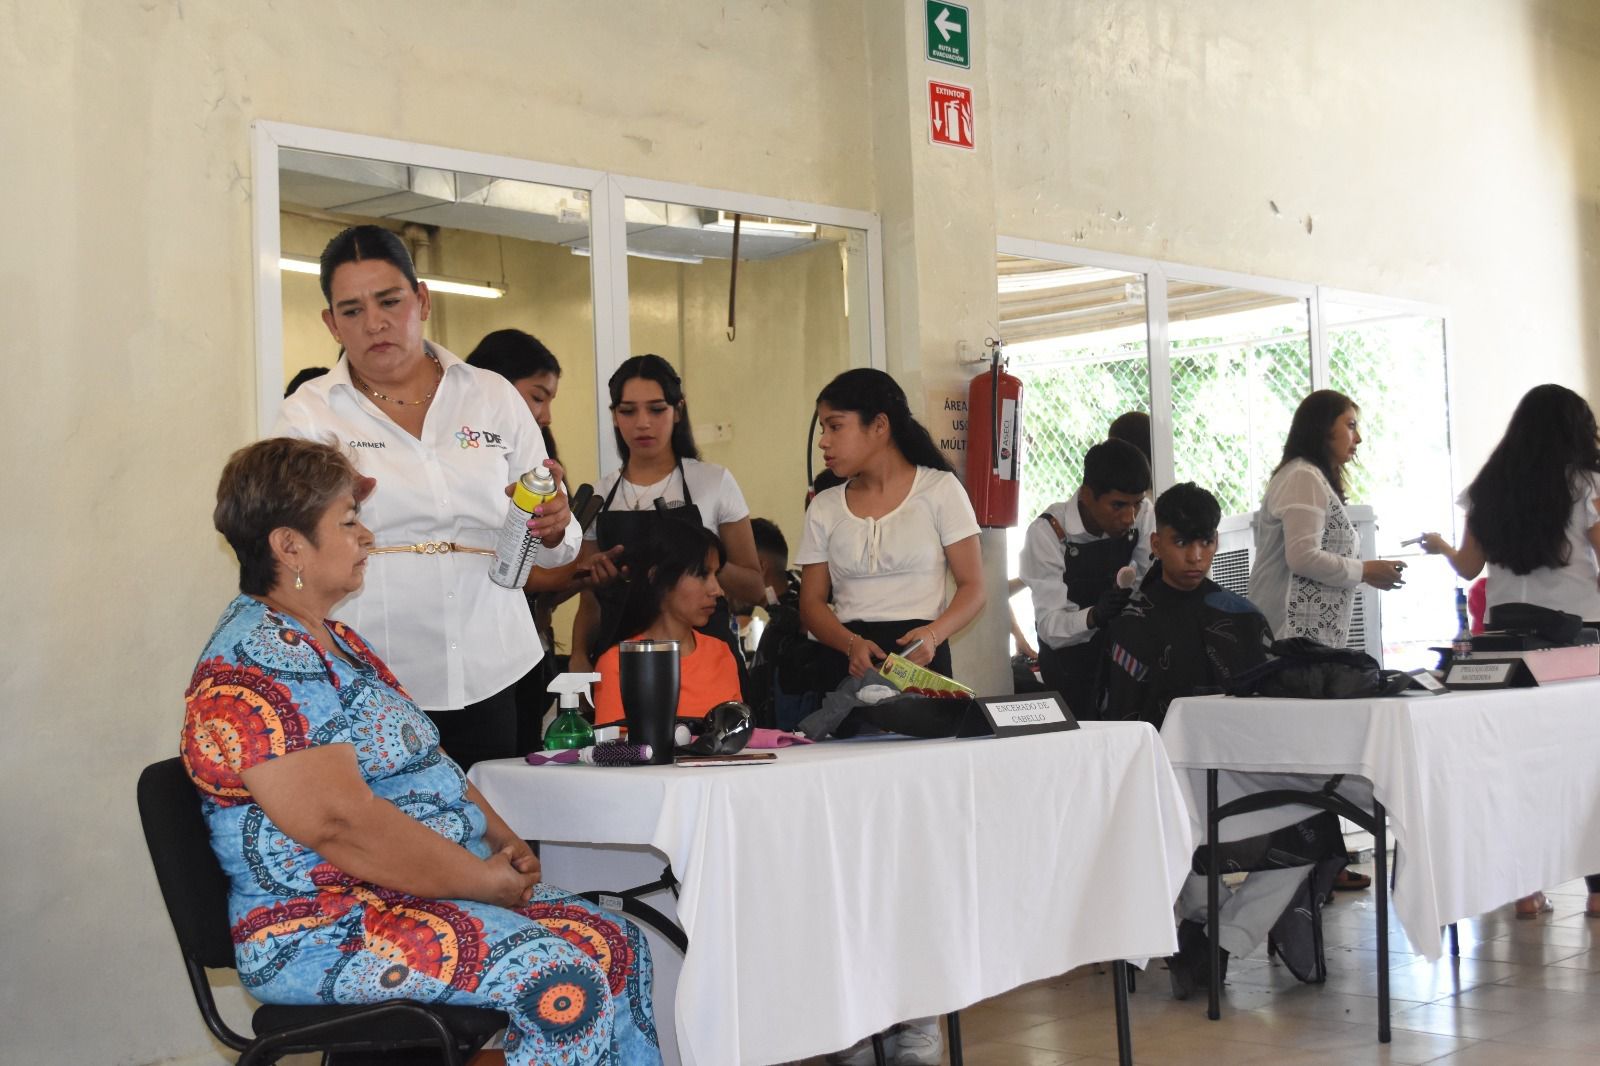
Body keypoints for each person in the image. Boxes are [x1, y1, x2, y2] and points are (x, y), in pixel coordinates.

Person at [185, 438, 659, 1065]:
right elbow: (339, 824)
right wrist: (481, 881)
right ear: (289, 546)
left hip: (411, 893)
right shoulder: (257, 660)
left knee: (617, 945)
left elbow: (427, 762)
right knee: (558, 979)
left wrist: (504, 842)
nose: (366, 536)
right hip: (323, 927)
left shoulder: (337, 640)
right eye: (347, 522)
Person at [274, 226, 578, 770]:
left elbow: (558, 545)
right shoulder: (308, 415)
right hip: (373, 674)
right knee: (397, 822)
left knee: (499, 818)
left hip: (496, 663)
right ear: (331, 323)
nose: (375, 323)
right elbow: (288, 549)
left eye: (390, 301)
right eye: (352, 310)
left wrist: (556, 524)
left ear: (422, 300)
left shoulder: (491, 395)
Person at [797, 368, 984, 1066]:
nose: (825, 441)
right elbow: (811, 603)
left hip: (922, 668)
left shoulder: (939, 490)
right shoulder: (825, 505)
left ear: (879, 426)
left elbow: (974, 587)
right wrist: (846, 642)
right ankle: (856, 1018)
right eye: (823, 427)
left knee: (919, 846)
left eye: (835, 426)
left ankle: (919, 1014)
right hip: (850, 669)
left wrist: (933, 634)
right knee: (853, 850)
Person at [1102, 482, 1347, 998]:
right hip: (1168, 782)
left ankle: (1217, 941)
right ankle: (1209, 932)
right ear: (1156, 543)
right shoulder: (1132, 625)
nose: (1196, 556)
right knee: (1179, 827)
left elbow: (1271, 708)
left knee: (1316, 817)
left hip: (1245, 770)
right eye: (1181, 543)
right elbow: (1122, 726)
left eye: (1206, 542)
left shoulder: (1240, 615)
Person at [1419, 382, 1600, 921]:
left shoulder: (1488, 488)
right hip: (1578, 638)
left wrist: (1442, 547)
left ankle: (1525, 886)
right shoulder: (1585, 482)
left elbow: (1469, 567)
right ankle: (1597, 890)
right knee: (1589, 765)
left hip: (1505, 640)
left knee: (1524, 763)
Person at [569, 355, 767, 686]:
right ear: (614, 417)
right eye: (628, 411)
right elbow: (588, 600)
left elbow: (754, 588)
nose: (643, 423)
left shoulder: (713, 482)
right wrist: (578, 654)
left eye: (657, 409)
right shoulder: (599, 496)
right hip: (623, 663)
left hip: (707, 660)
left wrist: (699, 562)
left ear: (678, 410)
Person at [466, 329, 584, 754]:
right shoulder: (463, 450)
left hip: (518, 642)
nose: (546, 414)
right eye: (538, 397)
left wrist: (560, 531)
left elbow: (556, 546)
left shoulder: (537, 454)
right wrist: (571, 574)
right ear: (496, 382)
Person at [1248, 390, 1406, 646]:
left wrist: (1366, 573)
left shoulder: (1308, 475)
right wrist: (1365, 570)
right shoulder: (1302, 476)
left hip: (1301, 641)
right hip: (1288, 638)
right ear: (1323, 427)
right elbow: (1302, 557)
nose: (1359, 438)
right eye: (1350, 425)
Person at [1018, 438, 1155, 718]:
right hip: (1069, 670)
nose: (1130, 517)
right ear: (1087, 495)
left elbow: (1146, 582)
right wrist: (1094, 616)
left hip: (1124, 665)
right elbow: (1049, 627)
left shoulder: (1144, 514)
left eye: (1137, 504)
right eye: (1118, 506)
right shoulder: (1048, 532)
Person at [591, 522, 743, 727]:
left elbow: (737, 735)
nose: (717, 590)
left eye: (716, 575)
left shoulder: (721, 653)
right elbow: (613, 744)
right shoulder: (617, 664)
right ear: (656, 576)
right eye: (702, 574)